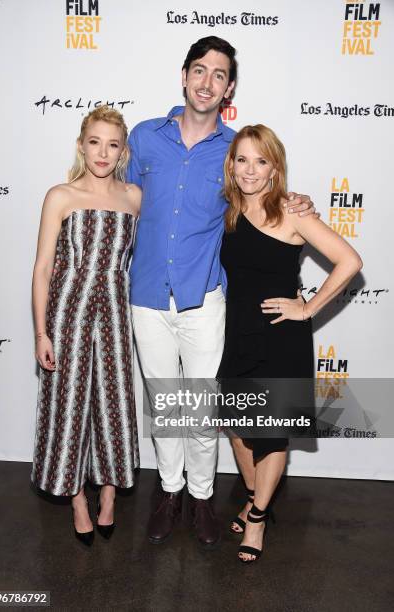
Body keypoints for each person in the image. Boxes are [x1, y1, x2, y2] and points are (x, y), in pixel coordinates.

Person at [127, 36, 316, 548]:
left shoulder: (235, 151)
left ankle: (204, 498)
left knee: (204, 408)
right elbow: (115, 195)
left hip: (206, 297)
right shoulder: (143, 137)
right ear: (184, 75)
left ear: (228, 86)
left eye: (219, 74)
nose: (207, 81)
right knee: (167, 404)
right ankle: (169, 494)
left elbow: (264, 194)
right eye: (199, 70)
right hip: (146, 294)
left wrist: (298, 200)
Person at [217, 124, 363, 562]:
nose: (250, 169)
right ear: (231, 164)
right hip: (238, 333)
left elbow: (350, 261)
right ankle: (252, 494)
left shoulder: (293, 212)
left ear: (275, 167)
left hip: (281, 338)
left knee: (272, 436)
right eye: (242, 159)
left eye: (261, 161)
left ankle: (258, 517)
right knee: (239, 428)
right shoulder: (227, 209)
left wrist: (308, 307)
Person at [31, 106, 141, 546]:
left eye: (112, 144)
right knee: (68, 408)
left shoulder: (134, 197)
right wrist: (41, 332)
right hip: (67, 315)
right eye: (94, 142)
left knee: (114, 407)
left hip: (115, 314)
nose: (103, 152)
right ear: (81, 144)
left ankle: (109, 496)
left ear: (123, 150)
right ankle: (77, 501)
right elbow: (41, 268)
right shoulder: (60, 195)